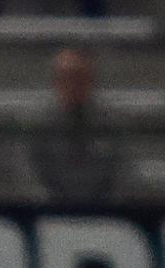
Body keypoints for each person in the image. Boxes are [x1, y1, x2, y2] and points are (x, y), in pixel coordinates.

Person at [29, 46, 122, 202]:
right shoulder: (34, 125)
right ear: (55, 82)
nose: (73, 85)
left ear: (91, 81)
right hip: (48, 213)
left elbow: (122, 175)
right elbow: (28, 177)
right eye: (66, 78)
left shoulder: (112, 125)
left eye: (80, 78)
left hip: (104, 215)